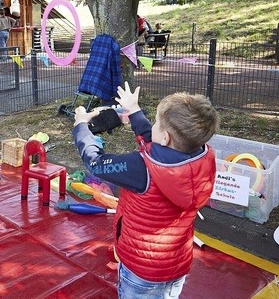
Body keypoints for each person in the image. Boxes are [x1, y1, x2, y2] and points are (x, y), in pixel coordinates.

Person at [72, 82, 219, 299]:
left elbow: (95, 162)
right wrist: (134, 110)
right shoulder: (203, 156)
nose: (152, 126)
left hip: (141, 270)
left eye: (157, 123)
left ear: (166, 137)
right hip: (176, 264)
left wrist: (81, 126)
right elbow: (158, 146)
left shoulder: (140, 167)